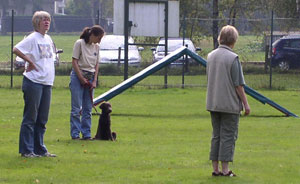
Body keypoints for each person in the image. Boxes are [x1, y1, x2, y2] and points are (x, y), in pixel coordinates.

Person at [206, 25, 250, 176]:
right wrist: (246, 104)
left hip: (213, 102)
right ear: (234, 40)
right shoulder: (233, 58)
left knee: (216, 135)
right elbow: (238, 85)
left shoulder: (210, 56)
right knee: (228, 136)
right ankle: (225, 170)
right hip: (229, 105)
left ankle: (215, 169)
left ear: (220, 38)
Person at [13, 11, 56, 158]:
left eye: (48, 20)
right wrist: (29, 61)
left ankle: (40, 149)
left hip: (47, 82)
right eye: (44, 20)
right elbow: (16, 49)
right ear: (37, 22)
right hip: (33, 81)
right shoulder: (32, 38)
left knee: (42, 118)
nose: (47, 22)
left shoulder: (48, 38)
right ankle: (26, 150)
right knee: (31, 117)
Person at [69, 25, 104, 140]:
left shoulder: (97, 47)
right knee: (76, 108)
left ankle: (86, 134)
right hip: (78, 75)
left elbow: (97, 64)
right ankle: (75, 134)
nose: (99, 41)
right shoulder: (79, 43)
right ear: (92, 35)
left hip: (90, 76)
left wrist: (94, 81)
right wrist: (81, 78)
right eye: (98, 38)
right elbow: (74, 61)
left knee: (88, 108)